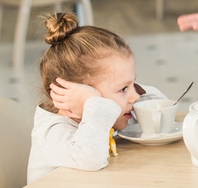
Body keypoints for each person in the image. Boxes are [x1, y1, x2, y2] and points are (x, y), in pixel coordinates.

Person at [27, 12, 168, 184]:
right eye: (123, 88)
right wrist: (94, 104)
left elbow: (161, 112)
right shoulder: (54, 133)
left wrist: (117, 97)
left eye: (134, 83)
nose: (136, 96)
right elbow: (90, 158)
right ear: (75, 94)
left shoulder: (106, 117)